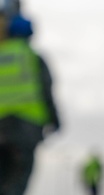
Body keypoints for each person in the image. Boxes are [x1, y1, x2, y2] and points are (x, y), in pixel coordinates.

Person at [0, 15, 61, 195]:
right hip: (26, 128)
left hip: (1, 128)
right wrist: (55, 120)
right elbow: (46, 90)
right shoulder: (32, 58)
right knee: (17, 181)